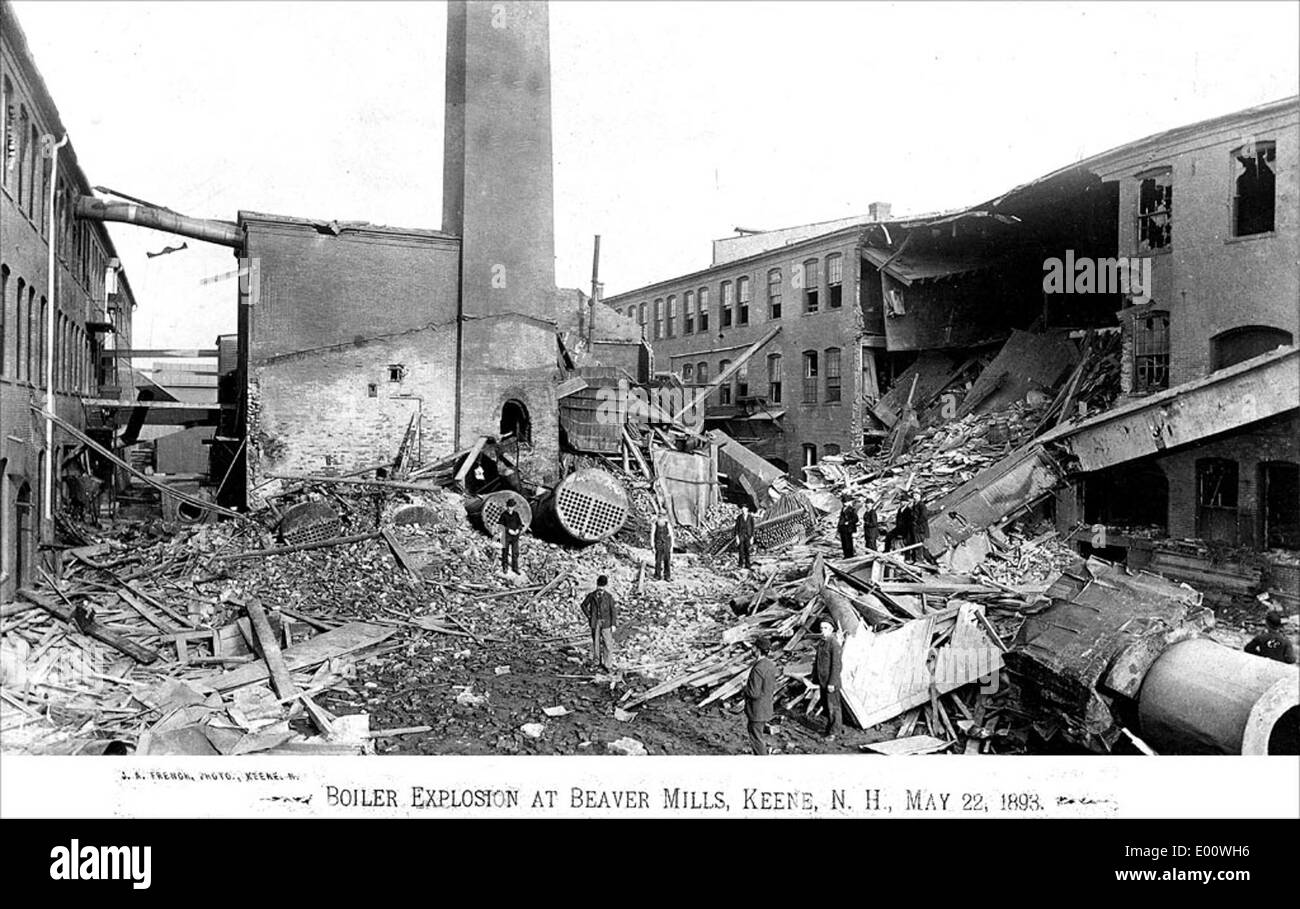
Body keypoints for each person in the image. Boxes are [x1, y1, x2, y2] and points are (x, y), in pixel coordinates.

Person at [743, 636, 779, 755]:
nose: (752, 649)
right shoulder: (770, 665)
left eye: (753, 647)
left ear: (758, 650)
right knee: (758, 734)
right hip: (766, 708)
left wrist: (744, 688)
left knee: (756, 737)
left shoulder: (758, 668)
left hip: (756, 710)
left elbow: (754, 693)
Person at [813, 619, 843, 740]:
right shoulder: (822, 643)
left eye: (825, 628)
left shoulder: (834, 644)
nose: (822, 631)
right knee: (826, 706)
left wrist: (832, 682)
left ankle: (834, 732)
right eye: (821, 628)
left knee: (833, 707)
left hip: (831, 682)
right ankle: (829, 728)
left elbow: (837, 665)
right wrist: (815, 677)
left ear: (831, 630)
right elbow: (818, 662)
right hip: (822, 680)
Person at [580, 575, 618, 670]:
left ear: (605, 586)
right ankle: (597, 661)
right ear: (597, 585)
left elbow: (613, 611)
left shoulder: (609, 597)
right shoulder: (591, 595)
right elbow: (583, 605)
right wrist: (589, 616)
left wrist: (613, 624)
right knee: (596, 642)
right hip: (595, 622)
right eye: (599, 586)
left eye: (602, 587)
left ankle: (607, 664)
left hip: (606, 623)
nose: (600, 588)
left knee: (607, 644)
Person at [497, 498, 524, 574]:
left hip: (515, 536)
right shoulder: (504, 515)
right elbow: (500, 526)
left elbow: (520, 524)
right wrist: (508, 530)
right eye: (509, 506)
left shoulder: (516, 514)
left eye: (511, 506)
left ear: (514, 507)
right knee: (505, 551)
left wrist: (518, 529)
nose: (510, 508)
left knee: (515, 552)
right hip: (506, 536)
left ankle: (515, 568)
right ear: (506, 506)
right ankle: (505, 567)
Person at [886, 494, 915, 559]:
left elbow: (909, 523)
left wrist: (904, 533)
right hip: (898, 528)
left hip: (906, 529)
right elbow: (897, 520)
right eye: (901, 501)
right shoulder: (899, 510)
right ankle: (886, 551)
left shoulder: (909, 511)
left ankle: (907, 557)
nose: (901, 503)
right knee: (889, 536)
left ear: (906, 503)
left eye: (903, 501)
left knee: (907, 542)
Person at [650, 512, 675, 581]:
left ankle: (667, 576)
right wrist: (652, 545)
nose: (661, 519)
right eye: (660, 517)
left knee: (667, 560)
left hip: (666, 544)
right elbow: (652, 535)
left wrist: (672, 546)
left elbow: (671, 536)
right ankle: (657, 576)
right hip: (658, 544)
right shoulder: (655, 525)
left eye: (662, 517)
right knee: (658, 560)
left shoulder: (667, 525)